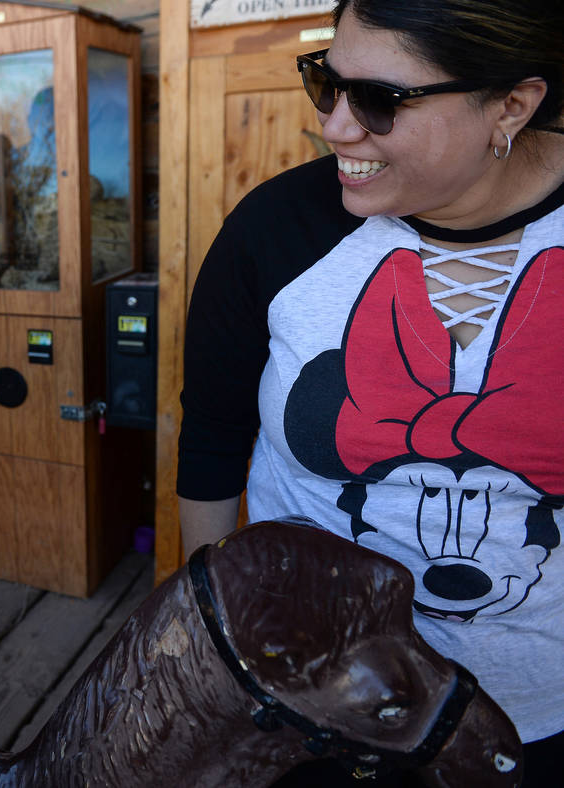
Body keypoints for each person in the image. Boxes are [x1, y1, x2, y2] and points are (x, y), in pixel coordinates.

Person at [176, 1, 564, 786]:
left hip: (542, 715)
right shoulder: (276, 229)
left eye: (381, 101)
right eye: (327, 81)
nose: (336, 128)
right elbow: (213, 440)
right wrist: (218, 649)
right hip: (309, 703)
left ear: (513, 106)